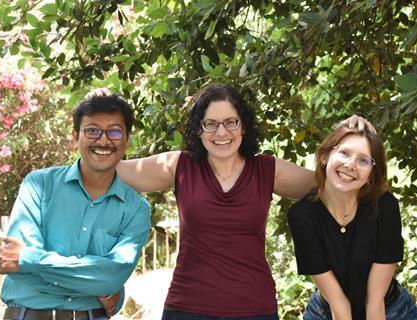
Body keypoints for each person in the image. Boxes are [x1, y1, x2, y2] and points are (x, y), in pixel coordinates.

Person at [113, 83, 373, 319]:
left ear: (243, 126)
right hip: (188, 307)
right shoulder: (179, 166)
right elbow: (112, 170)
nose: (221, 132)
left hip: (255, 309)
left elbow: (334, 185)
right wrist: (99, 132)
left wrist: (349, 134)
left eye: (231, 122)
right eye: (210, 124)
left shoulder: (267, 170)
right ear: (199, 129)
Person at [0, 94, 151, 320]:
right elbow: (18, 272)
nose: (104, 141)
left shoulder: (136, 209)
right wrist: (98, 282)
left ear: (127, 139)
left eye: (115, 132)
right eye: (92, 131)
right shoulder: (39, 185)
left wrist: (30, 259)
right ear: (75, 136)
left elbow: (112, 276)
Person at [287, 125, 417, 319]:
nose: (350, 165)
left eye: (363, 160)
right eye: (344, 153)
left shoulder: (385, 207)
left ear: (371, 176)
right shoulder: (302, 216)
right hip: (327, 311)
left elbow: (375, 301)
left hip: (390, 310)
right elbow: (339, 303)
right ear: (325, 157)